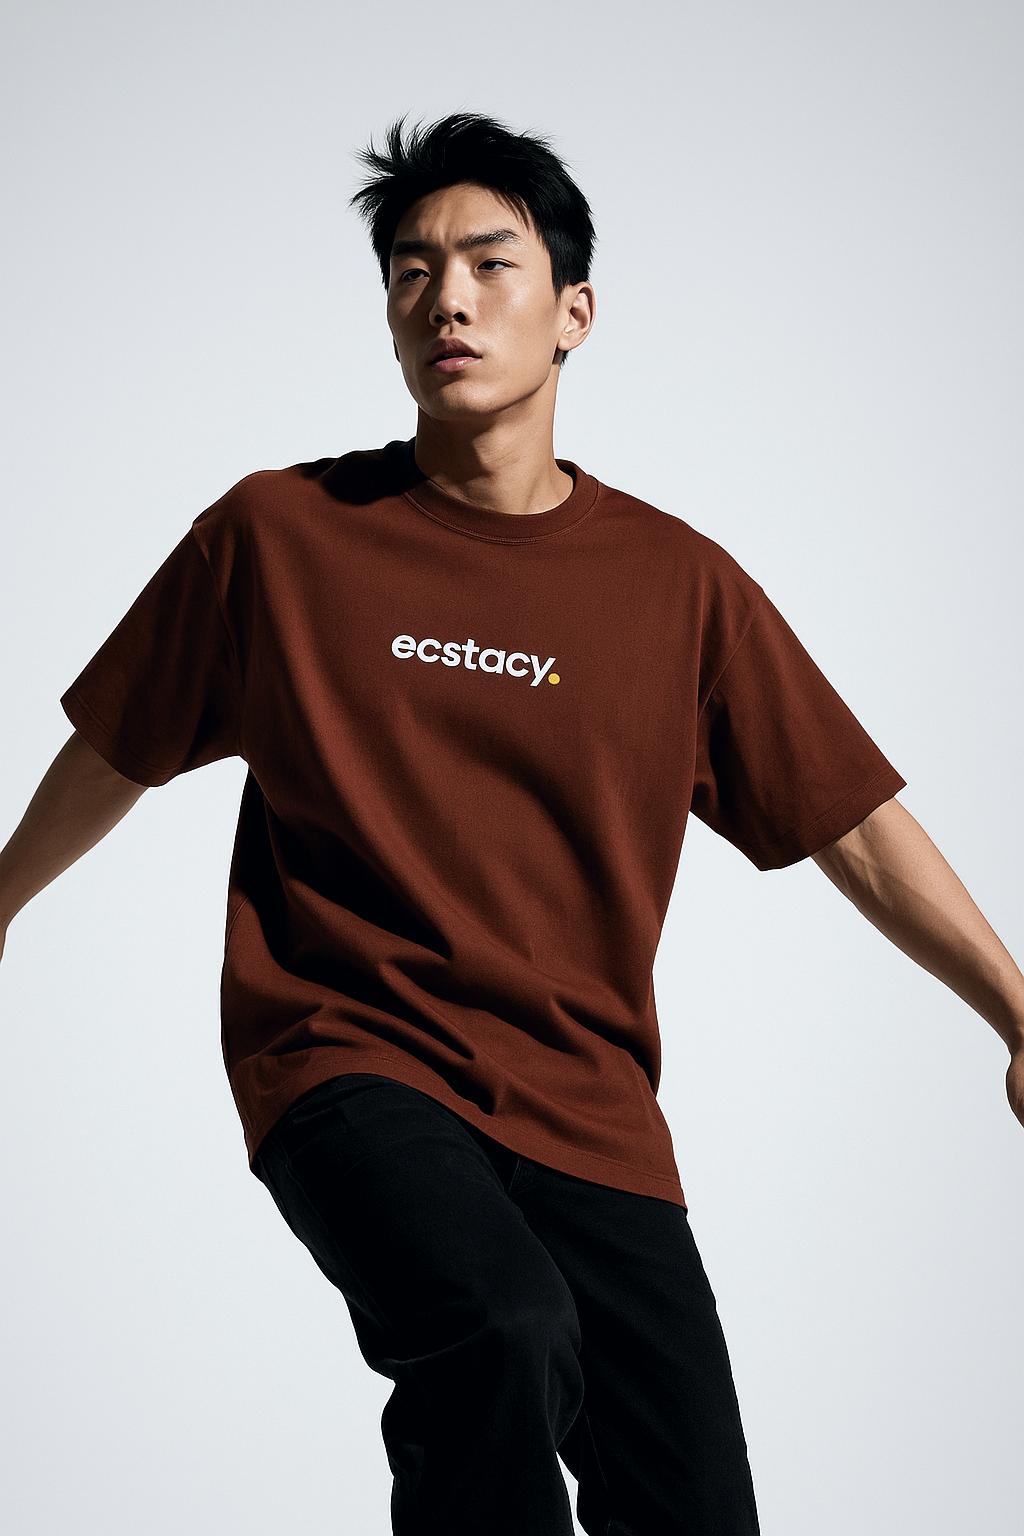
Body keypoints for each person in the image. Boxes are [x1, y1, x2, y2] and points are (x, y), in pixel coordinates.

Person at [1, 113, 1021, 1536]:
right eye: (412, 273)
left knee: (696, 1506)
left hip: (591, 1106)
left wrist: (1016, 1012)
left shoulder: (678, 587)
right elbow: (117, 746)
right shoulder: (277, 538)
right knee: (500, 1325)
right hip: (350, 1056)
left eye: (490, 263)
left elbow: (852, 823)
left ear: (573, 313)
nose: (449, 301)